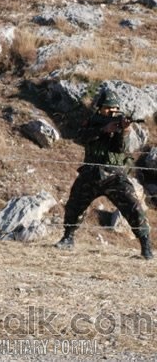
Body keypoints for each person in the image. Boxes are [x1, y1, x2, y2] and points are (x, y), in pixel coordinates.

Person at [55, 89, 153, 260]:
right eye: (108, 108)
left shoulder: (121, 126)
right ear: (100, 108)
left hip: (114, 175)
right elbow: (79, 138)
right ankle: (68, 237)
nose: (111, 112)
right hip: (91, 173)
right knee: (74, 205)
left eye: (114, 109)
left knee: (134, 208)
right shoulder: (92, 122)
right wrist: (103, 129)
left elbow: (121, 150)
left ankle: (146, 246)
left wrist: (123, 131)